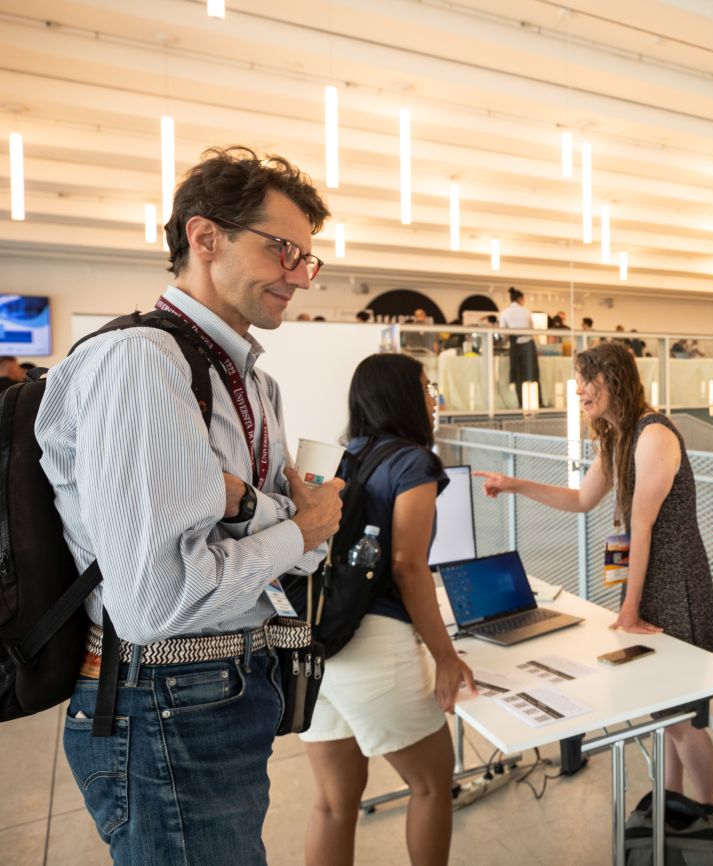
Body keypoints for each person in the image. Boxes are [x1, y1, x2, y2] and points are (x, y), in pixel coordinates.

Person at [35, 146, 345, 864]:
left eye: (308, 259)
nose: (300, 276)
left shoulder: (252, 385)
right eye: (283, 250)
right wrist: (294, 526)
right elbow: (156, 600)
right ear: (205, 239)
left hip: (226, 688)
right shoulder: (144, 364)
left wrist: (273, 519)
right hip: (164, 696)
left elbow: (313, 537)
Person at [474, 342, 713, 806]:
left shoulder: (653, 435)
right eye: (578, 380)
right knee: (663, 707)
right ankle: (671, 807)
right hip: (649, 579)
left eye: (589, 380)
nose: (580, 390)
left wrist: (628, 611)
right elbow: (581, 500)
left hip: (676, 580)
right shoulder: (617, 437)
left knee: (682, 712)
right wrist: (514, 485)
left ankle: (711, 814)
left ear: (616, 380)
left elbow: (642, 525)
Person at [301, 353, 476, 866]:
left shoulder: (337, 459)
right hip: (376, 647)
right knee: (430, 786)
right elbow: (407, 566)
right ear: (402, 396)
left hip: (318, 645)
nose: (432, 398)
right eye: (426, 387)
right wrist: (445, 655)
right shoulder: (413, 463)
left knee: (333, 803)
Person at [499, 287, 540, 408]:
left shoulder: (505, 313)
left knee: (517, 375)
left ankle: (520, 402)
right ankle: (536, 402)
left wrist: (504, 342)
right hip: (528, 343)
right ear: (520, 299)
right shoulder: (526, 311)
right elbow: (532, 329)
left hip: (514, 344)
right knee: (532, 374)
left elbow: (503, 333)